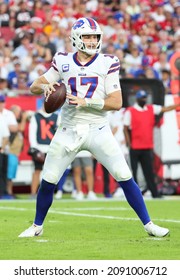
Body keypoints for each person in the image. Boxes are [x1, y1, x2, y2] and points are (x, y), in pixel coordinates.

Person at [19, 17, 169, 238]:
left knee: (123, 174)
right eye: (87, 36)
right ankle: (37, 226)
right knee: (49, 178)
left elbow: (116, 102)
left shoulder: (107, 62)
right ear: (76, 38)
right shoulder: (62, 60)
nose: (91, 41)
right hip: (68, 129)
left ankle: (149, 225)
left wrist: (87, 102)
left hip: (98, 129)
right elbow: (34, 86)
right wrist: (45, 86)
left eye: (94, 37)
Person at [123, 90, 180, 198]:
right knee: (133, 172)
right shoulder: (130, 111)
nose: (144, 100)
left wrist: (177, 105)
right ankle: (134, 193)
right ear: (137, 99)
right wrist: (128, 143)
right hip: (135, 146)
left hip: (147, 146)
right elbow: (125, 128)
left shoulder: (150, 108)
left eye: (145, 98)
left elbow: (165, 109)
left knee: (149, 172)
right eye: (142, 98)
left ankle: (154, 193)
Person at [28, 105, 61, 198]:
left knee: (51, 173)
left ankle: (48, 194)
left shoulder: (56, 116)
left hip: (51, 148)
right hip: (40, 148)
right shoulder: (36, 116)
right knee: (37, 171)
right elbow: (32, 132)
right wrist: (35, 148)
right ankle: (33, 193)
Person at [6, 105, 28, 197]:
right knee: (9, 174)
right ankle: (8, 192)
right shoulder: (9, 121)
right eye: (18, 112)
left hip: (14, 153)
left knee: (11, 174)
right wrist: (24, 118)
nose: (20, 114)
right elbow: (21, 128)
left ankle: (9, 192)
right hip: (10, 151)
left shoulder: (15, 121)